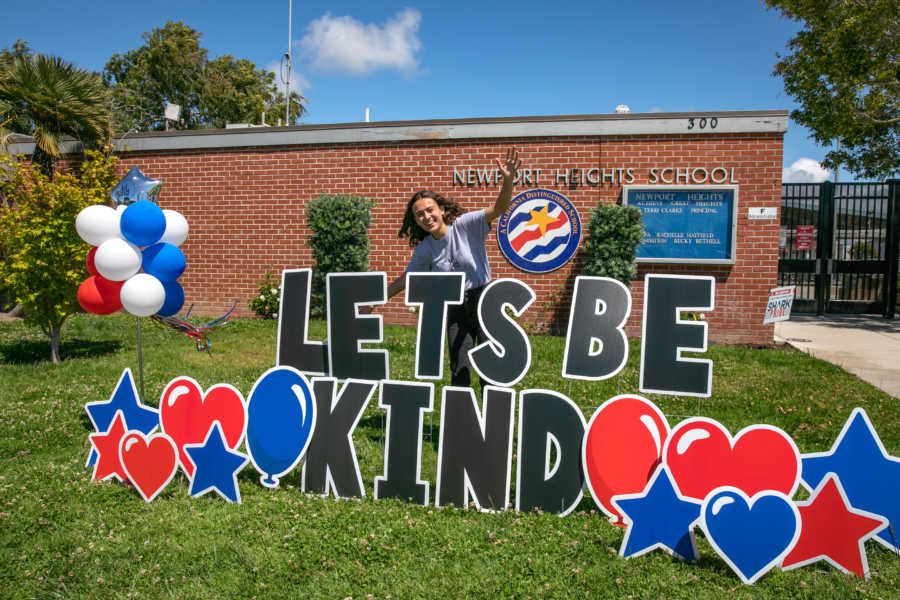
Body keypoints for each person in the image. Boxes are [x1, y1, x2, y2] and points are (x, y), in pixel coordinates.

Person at [387, 148, 521, 387]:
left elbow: (499, 208)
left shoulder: (466, 225)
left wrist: (508, 180)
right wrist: (379, 297)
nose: (426, 216)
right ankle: (461, 420)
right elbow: (408, 278)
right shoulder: (425, 248)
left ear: (441, 210)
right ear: (416, 220)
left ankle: (492, 419)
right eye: (420, 214)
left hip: (484, 299)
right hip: (455, 307)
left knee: (490, 365)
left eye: (430, 210)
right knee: (459, 367)